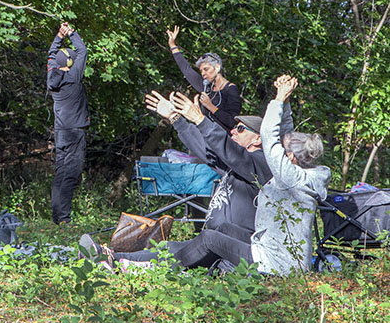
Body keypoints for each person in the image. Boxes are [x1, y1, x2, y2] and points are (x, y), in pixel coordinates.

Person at [85, 76, 329, 274]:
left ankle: (130, 267)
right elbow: (208, 150)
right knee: (189, 240)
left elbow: (262, 138)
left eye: (241, 128)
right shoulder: (255, 167)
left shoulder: (265, 167)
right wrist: (176, 119)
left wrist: (201, 118)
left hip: (270, 261)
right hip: (256, 244)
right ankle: (113, 256)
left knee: (209, 239)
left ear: (258, 139)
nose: (234, 130)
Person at [46, 21, 88, 224]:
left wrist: (59, 37)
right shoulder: (73, 76)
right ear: (69, 62)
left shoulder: (52, 77)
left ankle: (58, 218)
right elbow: (83, 51)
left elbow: (51, 56)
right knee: (71, 175)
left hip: (61, 132)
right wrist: (71, 33)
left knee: (61, 173)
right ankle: (64, 219)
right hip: (74, 133)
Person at [166, 26, 241, 129]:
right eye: (201, 71)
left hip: (221, 140)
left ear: (217, 67)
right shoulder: (206, 87)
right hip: (204, 137)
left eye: (206, 69)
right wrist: (172, 45)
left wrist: (211, 107)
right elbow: (186, 69)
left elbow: (233, 121)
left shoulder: (231, 89)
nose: (203, 74)